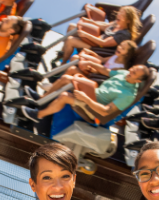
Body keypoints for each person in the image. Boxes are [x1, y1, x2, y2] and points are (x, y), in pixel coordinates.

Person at [18, 64, 150, 122]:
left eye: (133, 73)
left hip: (93, 107)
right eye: (132, 69)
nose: (129, 72)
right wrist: (90, 62)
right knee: (66, 78)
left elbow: (105, 111)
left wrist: (86, 99)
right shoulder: (124, 74)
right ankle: (41, 99)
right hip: (91, 92)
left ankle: (38, 115)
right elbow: (106, 72)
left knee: (64, 97)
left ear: (137, 80)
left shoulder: (128, 95)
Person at [58, 6, 142, 62]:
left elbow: (104, 43)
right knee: (71, 27)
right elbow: (104, 27)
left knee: (70, 41)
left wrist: (85, 34)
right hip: (96, 39)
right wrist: (90, 21)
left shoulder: (124, 34)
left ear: (128, 21)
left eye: (122, 15)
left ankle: (62, 66)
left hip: (99, 48)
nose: (119, 15)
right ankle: (62, 55)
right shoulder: (117, 23)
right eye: (119, 13)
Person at [62, 40, 137, 82]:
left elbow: (105, 74)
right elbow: (102, 60)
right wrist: (91, 52)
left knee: (74, 61)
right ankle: (60, 77)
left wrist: (91, 66)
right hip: (97, 69)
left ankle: (60, 80)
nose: (119, 48)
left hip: (96, 76)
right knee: (76, 57)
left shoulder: (120, 68)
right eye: (120, 45)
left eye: (123, 49)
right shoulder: (116, 56)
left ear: (127, 54)